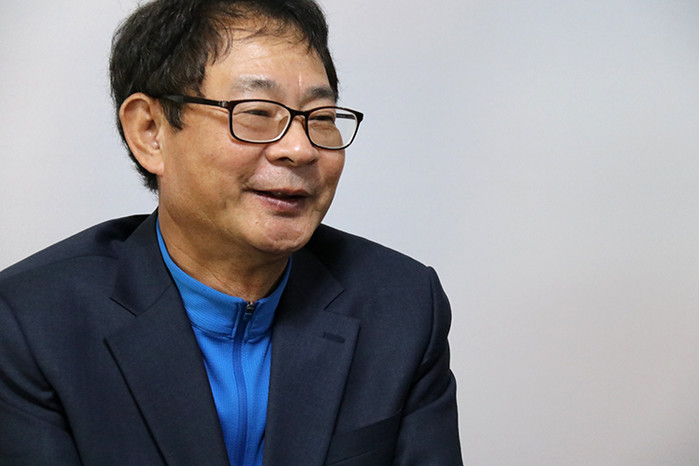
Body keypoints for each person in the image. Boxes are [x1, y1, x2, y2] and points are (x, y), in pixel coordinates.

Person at [0, 0, 462, 464]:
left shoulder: (402, 306)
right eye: (257, 112)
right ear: (150, 132)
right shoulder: (30, 324)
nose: (300, 149)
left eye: (320, 118)